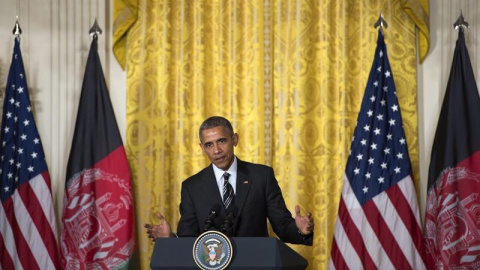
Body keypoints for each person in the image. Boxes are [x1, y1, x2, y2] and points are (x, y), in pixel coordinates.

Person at [145, 116, 314, 245]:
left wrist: (300, 230)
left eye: (222, 141)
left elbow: (282, 225)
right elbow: (189, 238)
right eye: (209, 145)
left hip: (256, 264)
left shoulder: (261, 176)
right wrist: (171, 238)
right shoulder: (192, 186)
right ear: (202, 148)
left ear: (234, 140)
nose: (216, 150)